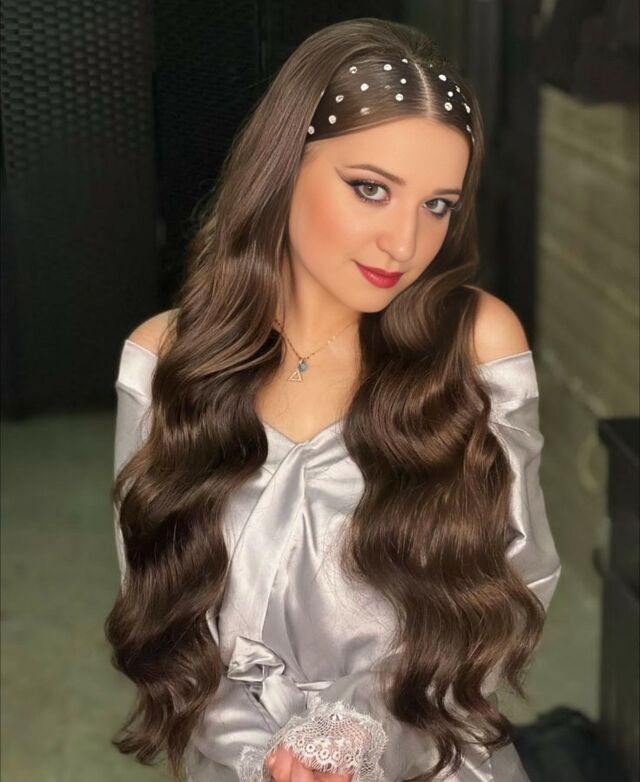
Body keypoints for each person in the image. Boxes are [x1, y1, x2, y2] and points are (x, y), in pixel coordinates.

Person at [106, 17, 562, 782]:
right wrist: (268, 760)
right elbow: (157, 612)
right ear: (284, 167)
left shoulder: (475, 343)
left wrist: (356, 733)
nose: (404, 245)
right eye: (371, 189)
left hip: (429, 758)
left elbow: (518, 584)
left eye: (438, 205)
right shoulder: (165, 360)